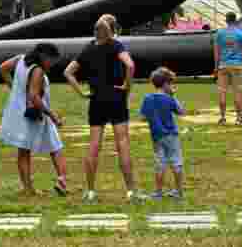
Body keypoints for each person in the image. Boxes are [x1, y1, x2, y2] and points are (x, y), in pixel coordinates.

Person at [64, 14, 147, 203]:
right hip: (116, 97)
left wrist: (82, 93)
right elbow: (130, 65)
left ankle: (91, 191)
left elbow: (68, 72)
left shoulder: (88, 48)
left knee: (94, 146)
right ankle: (131, 191)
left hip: (96, 99)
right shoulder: (117, 46)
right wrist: (127, 85)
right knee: (122, 143)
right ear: (113, 29)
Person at [0, 42, 67, 196]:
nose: (52, 64)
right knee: (31, 150)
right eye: (52, 60)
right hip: (34, 113)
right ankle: (30, 188)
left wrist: (15, 89)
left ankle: (59, 182)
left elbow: (2, 68)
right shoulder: (38, 71)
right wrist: (52, 114)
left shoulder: (20, 59)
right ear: (43, 56)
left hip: (20, 110)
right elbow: (34, 96)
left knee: (51, 146)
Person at [139, 67, 185, 199]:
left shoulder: (147, 98)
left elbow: (143, 118)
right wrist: (173, 95)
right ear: (166, 84)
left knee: (160, 163)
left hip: (157, 137)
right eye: (170, 83)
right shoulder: (169, 98)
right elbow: (181, 111)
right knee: (176, 162)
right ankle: (178, 191)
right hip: (172, 135)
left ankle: (158, 192)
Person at [214, 11, 242, 124]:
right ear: (236, 20)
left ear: (226, 20)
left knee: (222, 92)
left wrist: (216, 67)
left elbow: (216, 53)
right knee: (237, 92)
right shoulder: (241, 34)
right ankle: (239, 118)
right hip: (237, 65)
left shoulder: (219, 33)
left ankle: (222, 118)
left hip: (223, 65)